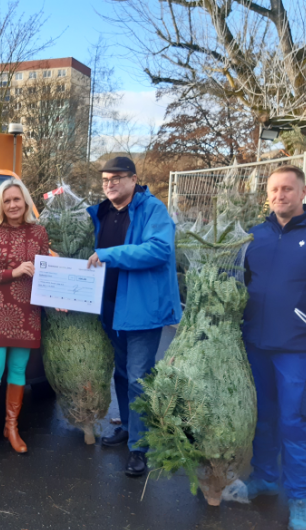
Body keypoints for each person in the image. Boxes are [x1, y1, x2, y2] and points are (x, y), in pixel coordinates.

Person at [239, 165, 306, 530]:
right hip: (255, 344)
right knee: (262, 417)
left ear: (304, 192)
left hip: (298, 348)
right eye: (274, 190)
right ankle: (264, 478)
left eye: (287, 189)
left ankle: (300, 499)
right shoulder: (256, 236)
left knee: (294, 422)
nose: (279, 195)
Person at [86, 156, 182, 477]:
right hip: (111, 305)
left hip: (142, 309)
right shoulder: (102, 212)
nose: (110, 184)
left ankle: (140, 448)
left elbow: (158, 250)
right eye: (105, 179)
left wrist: (109, 255)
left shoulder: (151, 209)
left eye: (116, 178)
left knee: (140, 377)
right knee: (123, 373)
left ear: (133, 179)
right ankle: (128, 427)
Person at [0, 178, 49, 455]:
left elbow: (47, 271)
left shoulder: (39, 233)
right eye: (7, 201)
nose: (13, 205)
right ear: (0, 206)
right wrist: (13, 272)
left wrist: (60, 298)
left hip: (28, 312)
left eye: (17, 199)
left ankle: (11, 426)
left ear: (26, 201)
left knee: (18, 371)